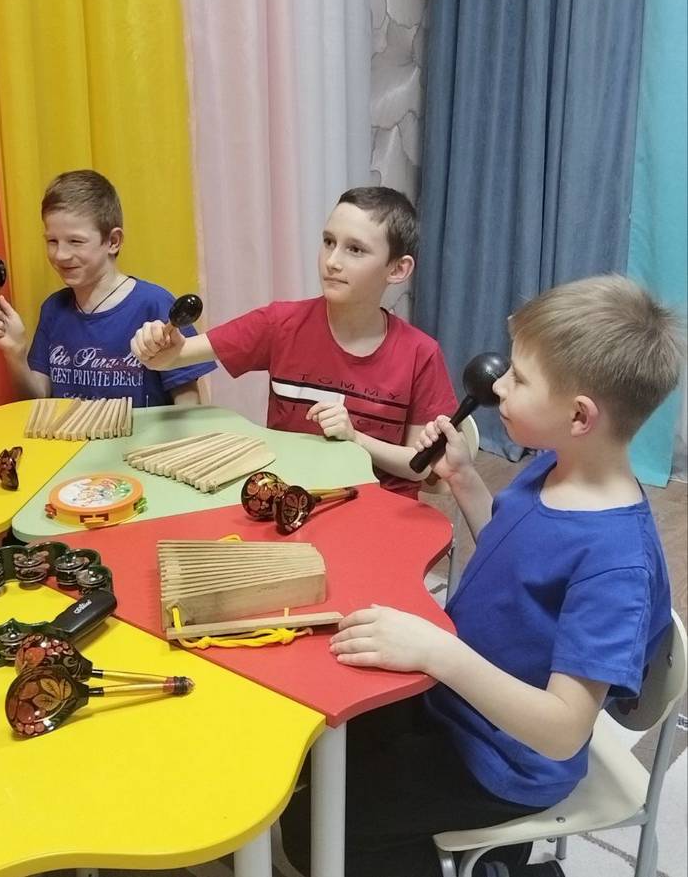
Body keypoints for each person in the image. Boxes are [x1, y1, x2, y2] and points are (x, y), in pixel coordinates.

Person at [279, 274, 683, 877]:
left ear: (578, 416)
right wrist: (466, 479)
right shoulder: (554, 468)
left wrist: (440, 654)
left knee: (317, 831)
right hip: (453, 702)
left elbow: (563, 731)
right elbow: (516, 552)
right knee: (312, 746)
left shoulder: (616, 565)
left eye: (519, 378)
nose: (498, 386)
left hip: (505, 759)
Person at [130, 186, 457, 496]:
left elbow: (420, 466)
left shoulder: (421, 353)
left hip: (379, 509)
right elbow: (176, 355)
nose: (332, 261)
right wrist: (158, 350)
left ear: (398, 269)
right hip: (292, 501)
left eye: (355, 249)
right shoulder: (280, 323)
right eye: (328, 242)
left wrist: (356, 438)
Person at [0, 169, 215, 405]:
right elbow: (36, 400)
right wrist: (16, 353)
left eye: (75, 241)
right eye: (52, 241)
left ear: (113, 241)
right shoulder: (53, 309)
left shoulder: (154, 304)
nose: (61, 255)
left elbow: (189, 403)